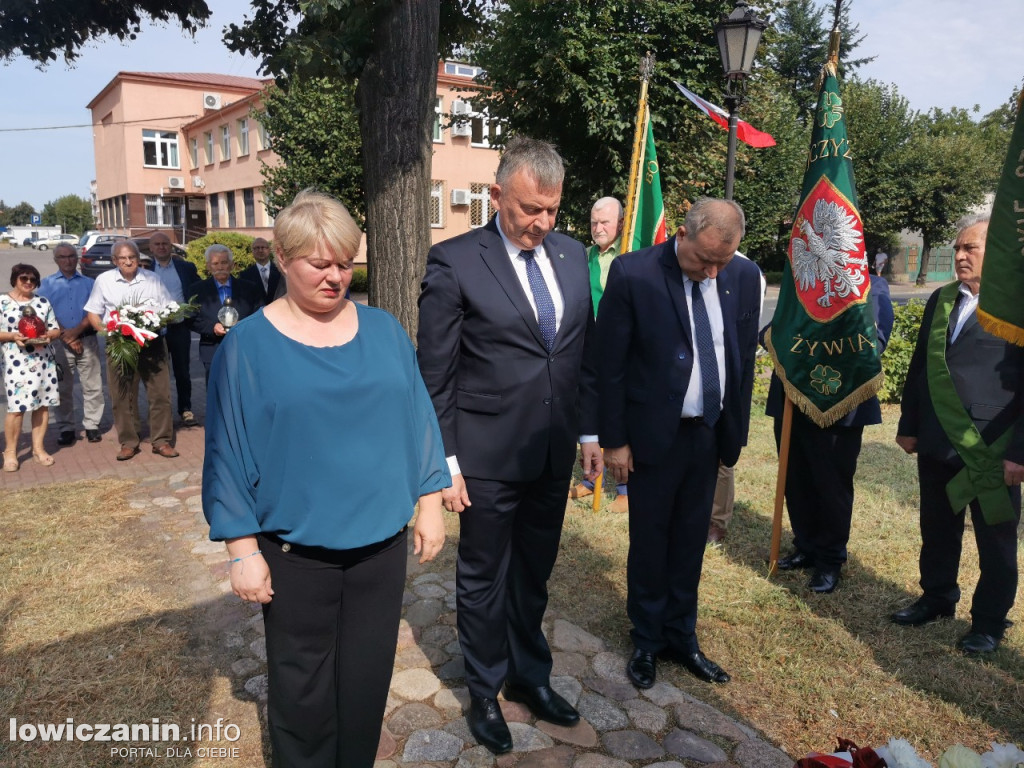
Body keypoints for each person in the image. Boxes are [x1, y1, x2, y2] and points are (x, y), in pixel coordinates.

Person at [203, 190, 448, 768]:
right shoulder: (246, 347)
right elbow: (227, 452)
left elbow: (417, 415)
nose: (336, 276)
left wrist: (430, 500)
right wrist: (242, 548)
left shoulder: (386, 331)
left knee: (365, 685)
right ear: (284, 260)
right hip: (296, 554)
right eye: (321, 264)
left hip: (379, 550)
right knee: (303, 690)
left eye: (345, 262)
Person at [417, 136, 601, 754]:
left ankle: (530, 676)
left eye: (551, 210)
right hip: (485, 459)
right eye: (529, 210)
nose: (541, 223)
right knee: (484, 578)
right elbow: (434, 374)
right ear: (496, 196)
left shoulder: (573, 257)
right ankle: (483, 691)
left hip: (551, 453)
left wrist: (592, 432)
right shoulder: (456, 261)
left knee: (533, 576)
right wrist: (445, 463)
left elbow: (582, 356)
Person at [598, 198, 761, 689]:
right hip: (652, 436)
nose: (711, 272)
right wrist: (615, 441)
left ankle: (681, 635)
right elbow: (611, 364)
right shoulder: (634, 274)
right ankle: (646, 639)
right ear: (683, 234)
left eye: (722, 262)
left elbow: (741, 358)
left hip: (708, 433)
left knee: (691, 539)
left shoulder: (743, 277)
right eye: (703, 260)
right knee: (651, 540)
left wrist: (735, 426)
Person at [891, 215, 1024, 654]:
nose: (961, 256)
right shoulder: (942, 299)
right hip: (936, 437)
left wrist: (1020, 453)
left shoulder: (1017, 305)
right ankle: (937, 597)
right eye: (959, 248)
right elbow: (920, 367)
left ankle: (988, 622)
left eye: (971, 248)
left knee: (996, 541)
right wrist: (909, 425)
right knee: (937, 526)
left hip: (992, 445)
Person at [767, 274, 894, 593]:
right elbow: (774, 331)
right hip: (793, 398)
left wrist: (820, 342)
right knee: (796, 479)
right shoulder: (800, 282)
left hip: (839, 400)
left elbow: (873, 343)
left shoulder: (870, 286)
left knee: (831, 485)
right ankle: (806, 547)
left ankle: (829, 559)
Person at [85, 240, 178, 461]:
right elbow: (93, 313)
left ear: (139, 258)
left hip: (151, 344)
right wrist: (107, 333)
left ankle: (161, 441)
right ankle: (129, 442)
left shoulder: (152, 279)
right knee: (123, 395)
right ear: (115, 260)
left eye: (132, 257)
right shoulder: (104, 281)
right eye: (123, 258)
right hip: (120, 345)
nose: (128, 262)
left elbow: (169, 308)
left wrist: (157, 322)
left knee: (160, 394)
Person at [569, 196, 629, 513]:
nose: (598, 228)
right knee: (588, 405)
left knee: (617, 410)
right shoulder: (583, 256)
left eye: (605, 222)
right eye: (594, 222)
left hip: (618, 346)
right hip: (585, 344)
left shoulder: (631, 254)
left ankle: (624, 487)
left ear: (620, 223)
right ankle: (592, 477)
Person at [708, 250, 766, 544]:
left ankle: (717, 521)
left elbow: (746, 339)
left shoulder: (746, 272)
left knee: (722, 455)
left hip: (727, 381)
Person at [37, 244, 105, 445]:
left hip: (87, 339)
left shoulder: (90, 283)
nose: (68, 260)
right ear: (56, 260)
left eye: (71, 256)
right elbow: (44, 313)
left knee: (93, 385)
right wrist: (67, 337)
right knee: (62, 388)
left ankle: (92, 425)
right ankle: (66, 427)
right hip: (58, 343)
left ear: (77, 259)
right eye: (62, 257)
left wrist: (76, 332)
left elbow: (95, 311)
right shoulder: (46, 285)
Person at [1, 263, 61, 471]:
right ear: (15, 279)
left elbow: (55, 329)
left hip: (44, 361)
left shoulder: (42, 302)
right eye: (23, 278)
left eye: (32, 280)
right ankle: (10, 452)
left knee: (42, 405)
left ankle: (38, 448)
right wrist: (11, 336)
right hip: (16, 363)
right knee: (17, 408)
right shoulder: (2, 301)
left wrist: (48, 336)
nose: (28, 283)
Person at [188, 244, 263, 383]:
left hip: (243, 348)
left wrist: (244, 326)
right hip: (212, 349)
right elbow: (192, 319)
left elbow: (259, 314)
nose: (220, 267)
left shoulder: (250, 288)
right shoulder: (196, 290)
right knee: (215, 391)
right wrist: (212, 328)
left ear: (232, 265)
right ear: (208, 266)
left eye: (224, 262)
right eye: (215, 263)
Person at [148, 232, 199, 427]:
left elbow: (197, 291)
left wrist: (193, 315)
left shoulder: (186, 268)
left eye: (165, 244)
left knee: (182, 372)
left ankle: (185, 409)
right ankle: (162, 412)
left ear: (171, 246)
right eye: (157, 244)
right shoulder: (145, 270)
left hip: (179, 328)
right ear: (151, 248)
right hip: (154, 330)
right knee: (158, 374)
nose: (161, 247)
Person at [240, 237, 282, 303]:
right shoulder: (245, 275)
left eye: (263, 247)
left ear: (269, 250)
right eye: (257, 248)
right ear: (252, 251)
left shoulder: (281, 271)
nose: (260, 250)